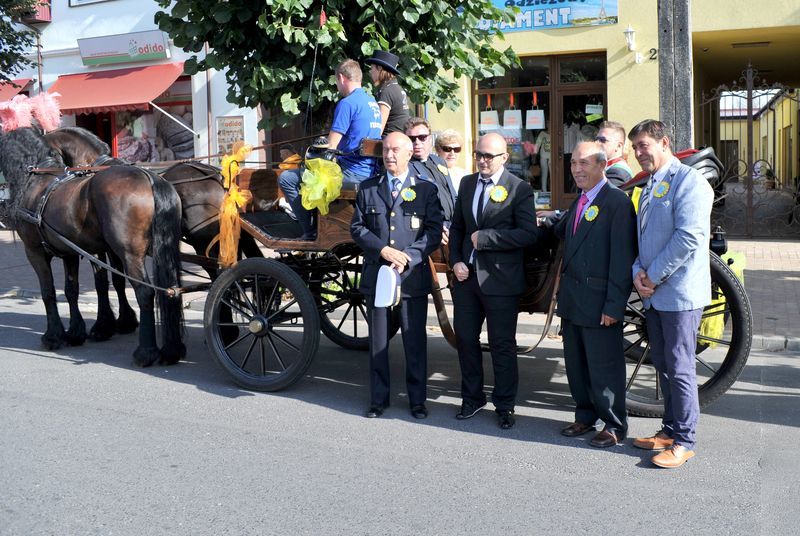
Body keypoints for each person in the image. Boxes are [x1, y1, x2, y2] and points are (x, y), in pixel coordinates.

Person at [628, 119, 714, 468]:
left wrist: (653, 275)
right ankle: (668, 429)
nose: (638, 153)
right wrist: (638, 273)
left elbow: (689, 237)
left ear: (664, 142)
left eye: (644, 145)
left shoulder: (689, 182)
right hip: (653, 292)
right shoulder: (649, 186)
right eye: (634, 147)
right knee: (663, 363)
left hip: (679, 294)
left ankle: (684, 441)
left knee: (679, 367)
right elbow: (643, 240)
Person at [540, 141, 637, 447]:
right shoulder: (579, 201)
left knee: (604, 367)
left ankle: (614, 425)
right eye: (573, 164)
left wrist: (614, 306)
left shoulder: (617, 203)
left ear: (602, 165)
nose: (577, 169)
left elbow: (622, 260)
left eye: (584, 163)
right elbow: (566, 233)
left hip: (600, 304)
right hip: (573, 301)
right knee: (577, 365)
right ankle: (585, 416)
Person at [449, 132, 539, 429]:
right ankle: (472, 398)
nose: (482, 160)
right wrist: (457, 261)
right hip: (467, 279)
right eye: (478, 154)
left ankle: (505, 404)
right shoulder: (467, 183)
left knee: (502, 344)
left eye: (488, 155)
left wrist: (486, 239)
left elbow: (528, 234)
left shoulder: (519, 188)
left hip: (501, 280)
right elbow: (459, 229)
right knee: (465, 339)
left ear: (505, 157)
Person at [350, 132, 444, 419]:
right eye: (386, 150)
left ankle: (417, 401)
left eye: (395, 150)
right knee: (378, 341)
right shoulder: (368, 189)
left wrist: (409, 256)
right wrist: (383, 251)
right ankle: (378, 399)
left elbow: (433, 232)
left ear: (408, 154)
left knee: (414, 341)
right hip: (378, 276)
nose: (389, 155)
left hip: (411, 278)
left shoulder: (426, 190)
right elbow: (357, 228)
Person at [279, 59, 382, 240]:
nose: (337, 86)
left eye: (336, 82)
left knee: (287, 178)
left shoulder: (347, 103)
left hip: (351, 173)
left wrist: (312, 152)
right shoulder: (372, 102)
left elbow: (331, 147)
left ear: (341, 78)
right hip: (370, 172)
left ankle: (310, 231)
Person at [405, 117, 457, 238]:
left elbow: (452, 194)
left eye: (422, 137)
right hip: (429, 232)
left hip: (452, 227)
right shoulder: (405, 167)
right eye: (412, 139)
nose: (417, 142)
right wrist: (437, 228)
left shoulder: (439, 161)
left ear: (430, 138)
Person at [365, 50, 410, 136]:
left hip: (389, 141)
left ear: (380, 68)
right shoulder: (397, 88)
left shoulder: (387, 91)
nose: (370, 72)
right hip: (400, 139)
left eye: (372, 68)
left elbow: (379, 127)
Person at [595, 121, 634, 187]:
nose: (596, 143)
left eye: (602, 140)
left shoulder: (617, 172)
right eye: (596, 139)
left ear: (618, 146)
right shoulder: (609, 166)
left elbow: (599, 196)